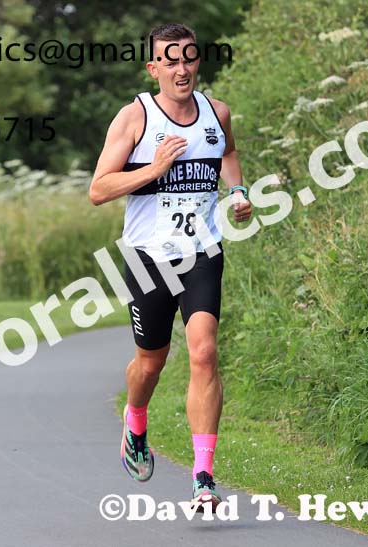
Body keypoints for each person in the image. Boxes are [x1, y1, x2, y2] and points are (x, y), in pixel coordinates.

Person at [89, 23, 252, 507]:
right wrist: (155, 169)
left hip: (202, 252)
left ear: (198, 61)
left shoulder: (216, 113)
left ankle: (204, 475)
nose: (182, 69)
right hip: (146, 259)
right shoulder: (134, 117)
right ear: (153, 67)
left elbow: (228, 152)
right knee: (151, 362)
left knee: (203, 353)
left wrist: (239, 193)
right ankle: (135, 420)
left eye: (189, 58)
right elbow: (98, 189)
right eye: (171, 60)